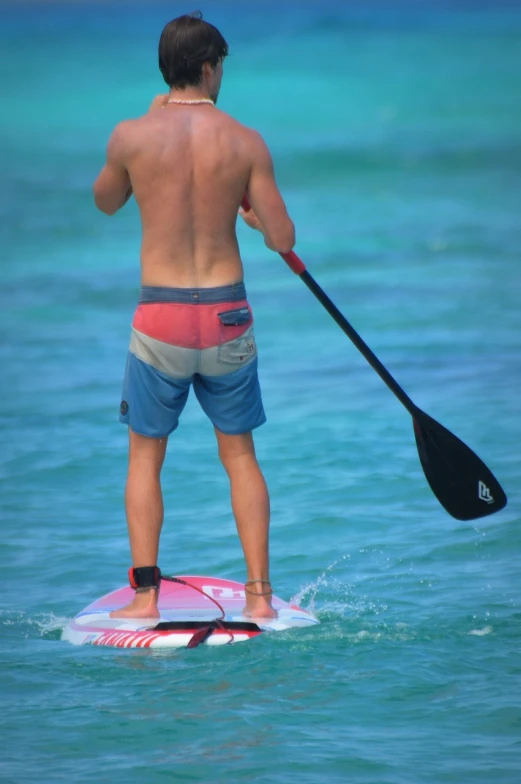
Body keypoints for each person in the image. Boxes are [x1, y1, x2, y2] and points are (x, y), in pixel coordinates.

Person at [93, 12, 295, 619]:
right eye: (221, 66)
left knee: (144, 457)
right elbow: (283, 237)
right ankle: (260, 598)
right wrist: (256, 221)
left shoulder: (131, 135)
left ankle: (147, 596)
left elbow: (105, 201)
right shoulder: (245, 140)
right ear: (209, 67)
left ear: (168, 70)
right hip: (229, 317)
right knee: (240, 456)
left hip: (162, 322)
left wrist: (142, 143)